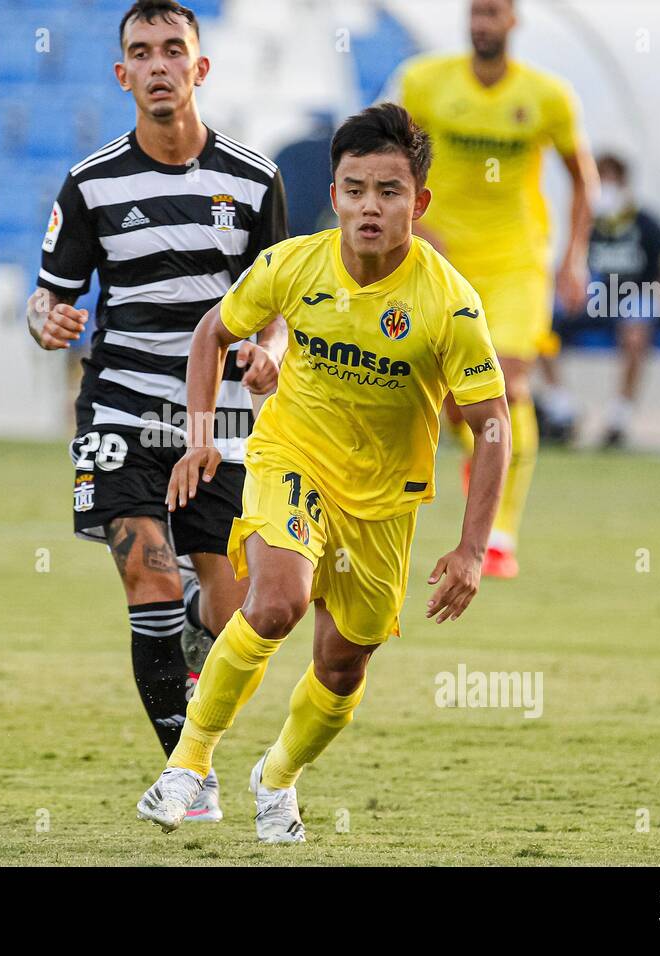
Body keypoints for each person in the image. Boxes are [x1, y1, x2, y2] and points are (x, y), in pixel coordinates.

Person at [135, 104, 510, 843]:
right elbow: (216, 331)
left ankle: (274, 780)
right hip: (291, 459)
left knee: (342, 668)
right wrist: (201, 437)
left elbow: (492, 423)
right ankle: (187, 765)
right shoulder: (293, 265)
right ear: (334, 194)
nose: (371, 206)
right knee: (277, 604)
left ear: (419, 201)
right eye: (355, 188)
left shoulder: (449, 303)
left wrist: (472, 548)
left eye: (390, 191)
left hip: (382, 504)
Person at [26, 0, 288, 824]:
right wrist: (46, 322)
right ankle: (191, 775)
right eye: (142, 53)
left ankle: (190, 678)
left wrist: (271, 348)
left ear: (200, 68)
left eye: (175, 50)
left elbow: (278, 298)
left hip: (228, 421)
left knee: (227, 605)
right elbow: (46, 303)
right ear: (124, 75)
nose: (160, 65)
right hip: (121, 407)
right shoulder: (90, 184)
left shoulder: (254, 180)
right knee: (149, 573)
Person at [386, 0, 596, 578]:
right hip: (443, 257)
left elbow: (583, 178)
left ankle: (499, 532)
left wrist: (572, 258)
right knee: (455, 396)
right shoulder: (426, 82)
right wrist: (413, 224)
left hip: (516, 262)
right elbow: (391, 160)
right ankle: (479, 453)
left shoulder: (547, 97)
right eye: (476, 13)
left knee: (509, 382)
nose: (482, 23)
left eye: (493, 13)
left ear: (513, 21)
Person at [584, 153, 660, 447]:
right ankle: (558, 406)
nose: (604, 187)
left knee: (635, 320)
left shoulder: (644, 222)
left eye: (609, 179)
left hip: (639, 300)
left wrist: (659, 292)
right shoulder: (590, 224)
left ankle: (620, 413)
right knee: (541, 322)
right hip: (601, 302)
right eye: (598, 178)